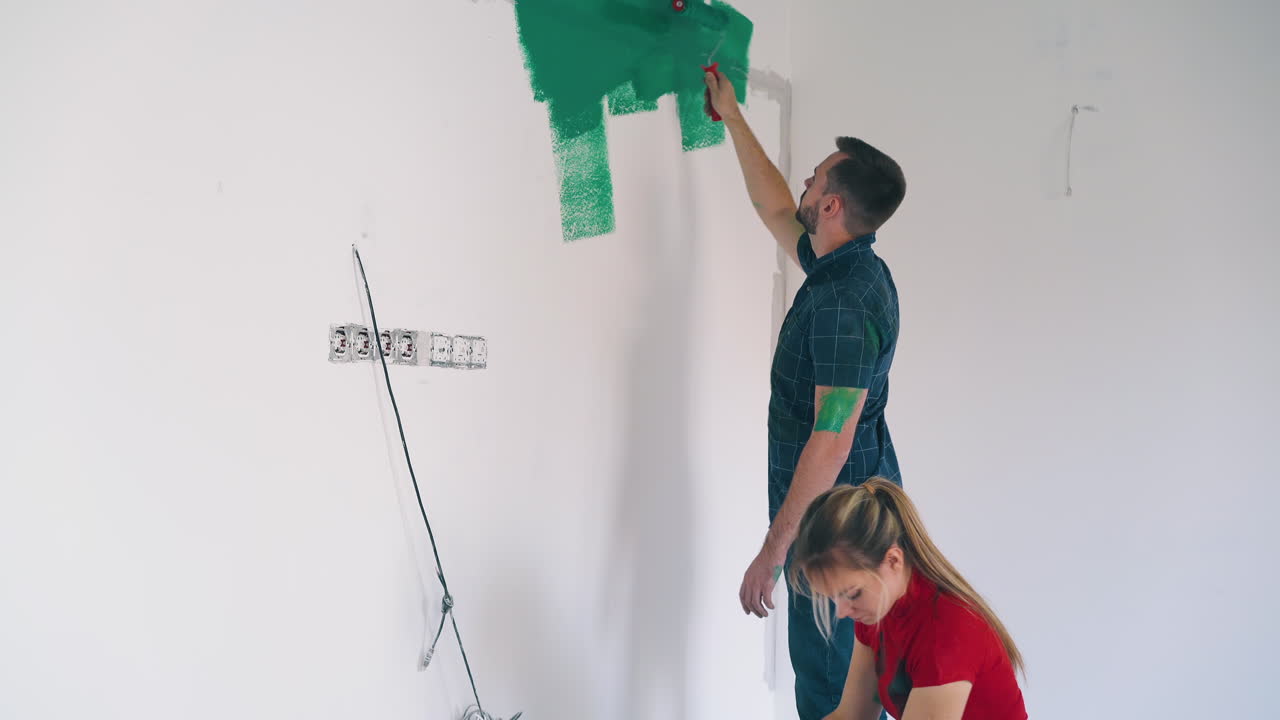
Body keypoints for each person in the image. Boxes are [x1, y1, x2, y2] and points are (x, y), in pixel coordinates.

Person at [703, 70, 907, 719]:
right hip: (856, 516)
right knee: (847, 682)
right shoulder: (851, 268)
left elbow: (831, 436)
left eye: (815, 179)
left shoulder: (841, 304)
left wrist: (774, 550)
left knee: (831, 691)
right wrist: (734, 117)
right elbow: (771, 207)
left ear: (832, 206)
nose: (804, 184)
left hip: (836, 534)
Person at [790, 478, 1028, 720]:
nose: (842, 612)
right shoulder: (876, 611)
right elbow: (852, 716)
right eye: (833, 597)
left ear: (893, 560)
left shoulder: (946, 630)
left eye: (852, 594)